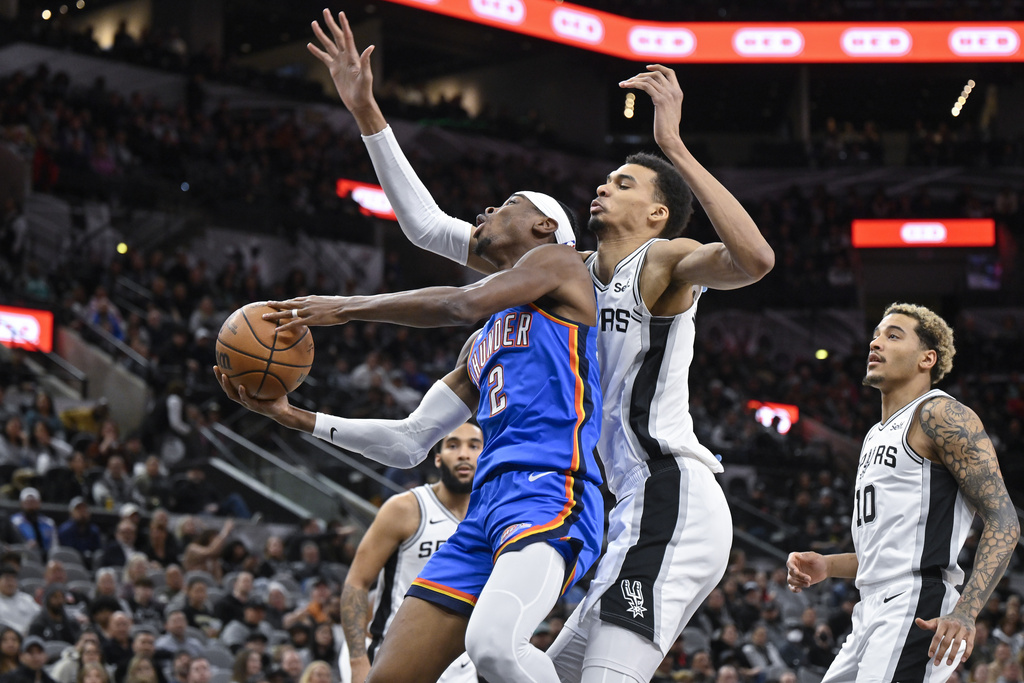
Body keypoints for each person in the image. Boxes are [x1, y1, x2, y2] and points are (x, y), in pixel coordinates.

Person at [308, 11, 774, 682]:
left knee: (547, 662)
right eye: (607, 176)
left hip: (673, 491)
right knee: (518, 667)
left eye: (624, 182)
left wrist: (671, 146)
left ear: (657, 213)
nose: (603, 183)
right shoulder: (566, 274)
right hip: (620, 506)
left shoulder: (663, 260)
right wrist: (367, 112)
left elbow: (755, 258)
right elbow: (427, 228)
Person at [215, 58, 604, 682]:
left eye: (503, 204)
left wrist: (347, 307)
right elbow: (407, 443)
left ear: (542, 223)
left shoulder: (562, 265)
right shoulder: (482, 346)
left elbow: (459, 300)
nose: (483, 212)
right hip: (485, 512)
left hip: (552, 489)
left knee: (497, 649)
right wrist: (296, 417)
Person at [786, 303, 1020, 682]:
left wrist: (965, 611)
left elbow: (1004, 519)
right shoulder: (873, 435)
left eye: (893, 335)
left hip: (915, 604)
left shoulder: (940, 414)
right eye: (876, 334)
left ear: (927, 358)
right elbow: (891, 553)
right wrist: (829, 566)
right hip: (870, 608)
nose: (876, 342)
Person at [340, 422, 483, 683]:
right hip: (395, 661)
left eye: (474, 446)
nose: (464, 453)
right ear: (438, 459)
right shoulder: (406, 508)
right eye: (453, 445)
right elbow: (357, 583)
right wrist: (357, 661)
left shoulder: (489, 517)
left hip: (461, 671)